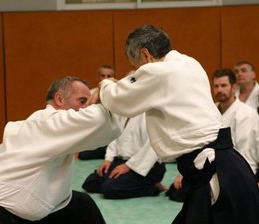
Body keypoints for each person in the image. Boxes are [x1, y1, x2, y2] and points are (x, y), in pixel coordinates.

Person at [88, 24, 259, 224]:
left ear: (145, 54)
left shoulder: (159, 72)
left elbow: (119, 99)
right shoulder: (190, 63)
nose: (137, 72)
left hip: (215, 172)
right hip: (225, 165)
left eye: (136, 65)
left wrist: (104, 85)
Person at [0, 76, 122, 224]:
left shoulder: (41, 121)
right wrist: (108, 89)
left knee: (81, 205)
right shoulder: (51, 122)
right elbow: (103, 123)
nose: (86, 107)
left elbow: (102, 131)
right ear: (59, 99)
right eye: (82, 101)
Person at [167, 68, 259, 203]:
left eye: (224, 85)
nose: (219, 90)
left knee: (197, 193)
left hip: (239, 167)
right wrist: (184, 173)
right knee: (177, 190)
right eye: (216, 86)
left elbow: (245, 151)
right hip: (212, 163)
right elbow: (200, 144)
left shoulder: (247, 114)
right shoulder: (210, 111)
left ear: (234, 87)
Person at [82, 113, 167, 199]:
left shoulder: (150, 115)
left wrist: (128, 166)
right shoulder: (123, 113)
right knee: (90, 183)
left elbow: (152, 148)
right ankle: (129, 183)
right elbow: (114, 138)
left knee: (109, 189)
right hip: (121, 162)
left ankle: (154, 188)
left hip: (147, 167)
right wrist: (108, 159)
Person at [78, 64, 116, 160]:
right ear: (98, 77)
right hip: (95, 134)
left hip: (113, 136)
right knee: (83, 155)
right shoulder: (90, 94)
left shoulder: (117, 94)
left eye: (109, 76)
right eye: (102, 75)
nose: (105, 78)